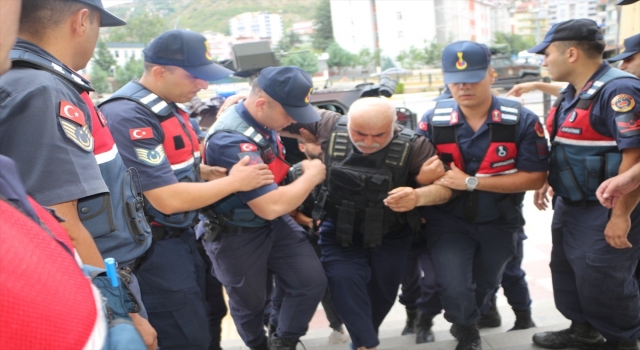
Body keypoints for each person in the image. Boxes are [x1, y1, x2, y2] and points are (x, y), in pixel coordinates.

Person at [99, 29, 274, 350]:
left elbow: (163, 168)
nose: (203, 85)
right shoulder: (128, 114)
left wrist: (203, 171)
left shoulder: (167, 107)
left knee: (209, 313)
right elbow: (166, 199)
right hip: (155, 251)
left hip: (184, 239)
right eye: (195, 77)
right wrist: (235, 182)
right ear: (159, 72)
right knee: (182, 332)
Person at [0, 0, 159, 347]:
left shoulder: (38, 80)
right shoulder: (44, 90)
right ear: (82, 21)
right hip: (95, 277)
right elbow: (63, 222)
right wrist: (119, 310)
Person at [283, 95, 453, 350]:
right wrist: (245, 106)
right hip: (339, 229)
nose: (368, 142)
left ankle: (362, 341)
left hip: (392, 233)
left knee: (382, 295)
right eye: (359, 133)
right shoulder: (328, 124)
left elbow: (448, 190)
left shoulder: (416, 146)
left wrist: (419, 193)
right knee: (343, 281)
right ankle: (366, 344)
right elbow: (279, 115)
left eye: (379, 135)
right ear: (347, 122)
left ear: (394, 126)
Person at [417, 41, 548, 350]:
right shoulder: (432, 119)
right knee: (453, 285)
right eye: (456, 79)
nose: (464, 86)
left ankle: (471, 320)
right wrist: (425, 177)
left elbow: (535, 177)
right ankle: (467, 332)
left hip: (499, 220)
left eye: (474, 77)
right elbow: (414, 173)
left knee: (487, 284)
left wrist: (472, 182)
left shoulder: (521, 119)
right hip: (447, 221)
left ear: (492, 75)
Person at [526, 19, 640, 350]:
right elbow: (570, 144)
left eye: (546, 54)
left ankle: (624, 340)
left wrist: (621, 215)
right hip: (570, 204)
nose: (544, 61)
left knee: (606, 280)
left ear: (571, 53)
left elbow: (634, 160)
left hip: (604, 208)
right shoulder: (573, 91)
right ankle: (583, 330)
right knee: (569, 273)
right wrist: (550, 179)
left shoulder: (620, 90)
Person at [198, 66, 328, 350]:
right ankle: (259, 345)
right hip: (236, 233)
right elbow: (269, 206)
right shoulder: (231, 139)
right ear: (260, 104)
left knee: (310, 280)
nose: (293, 120)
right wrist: (312, 175)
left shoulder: (261, 115)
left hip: (272, 224)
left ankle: (284, 341)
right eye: (289, 112)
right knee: (250, 305)